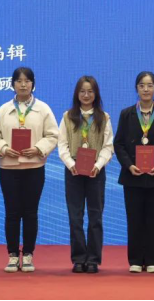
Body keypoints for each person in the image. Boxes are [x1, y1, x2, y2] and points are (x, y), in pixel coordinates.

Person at [0, 67, 59, 273]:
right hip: (9, 168)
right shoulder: (3, 110)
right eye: (19, 81)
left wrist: (38, 148)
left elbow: (52, 135)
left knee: (30, 212)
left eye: (27, 81)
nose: (23, 84)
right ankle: (12, 255)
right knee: (12, 212)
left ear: (33, 84)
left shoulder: (43, 109)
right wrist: (3, 148)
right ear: (12, 84)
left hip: (34, 167)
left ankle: (28, 254)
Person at [114, 71, 154, 274]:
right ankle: (135, 259)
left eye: (150, 85)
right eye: (142, 85)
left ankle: (152, 260)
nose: (146, 89)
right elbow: (119, 144)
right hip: (132, 175)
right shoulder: (127, 114)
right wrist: (128, 165)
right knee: (134, 219)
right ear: (137, 88)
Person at [58, 75, 114, 274]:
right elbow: (62, 144)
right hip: (73, 171)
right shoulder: (68, 117)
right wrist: (71, 164)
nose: (86, 95)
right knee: (75, 217)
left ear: (96, 94)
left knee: (95, 216)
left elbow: (108, 146)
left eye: (90, 91)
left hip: (95, 172)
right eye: (82, 91)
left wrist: (98, 165)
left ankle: (93, 260)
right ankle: (79, 258)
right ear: (77, 94)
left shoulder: (103, 118)